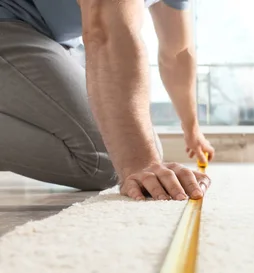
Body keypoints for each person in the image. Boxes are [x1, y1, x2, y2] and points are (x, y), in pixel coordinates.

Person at [0, 0, 215, 201]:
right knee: (105, 161)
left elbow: (178, 53)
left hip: (51, 38)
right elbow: (105, 29)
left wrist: (191, 128)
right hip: (10, 22)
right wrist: (140, 163)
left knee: (138, 150)